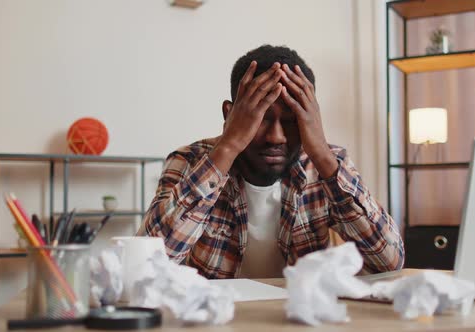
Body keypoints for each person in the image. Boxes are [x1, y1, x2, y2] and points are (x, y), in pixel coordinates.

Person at [137, 45, 404, 278]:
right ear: (230, 115)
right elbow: (147, 265)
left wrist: (322, 154)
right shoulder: (189, 161)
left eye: (291, 122)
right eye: (261, 117)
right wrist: (228, 146)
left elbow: (389, 261)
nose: (276, 137)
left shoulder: (325, 164)